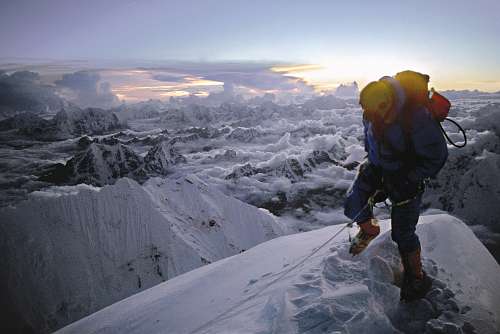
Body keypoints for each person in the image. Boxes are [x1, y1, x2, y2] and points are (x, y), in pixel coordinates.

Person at [344, 70, 448, 302]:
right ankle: (369, 228)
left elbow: (436, 157)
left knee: (403, 232)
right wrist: (373, 168)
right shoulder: (372, 112)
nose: (373, 117)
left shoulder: (416, 118)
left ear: (389, 101)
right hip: (380, 167)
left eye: (376, 112)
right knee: (354, 200)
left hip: (406, 176)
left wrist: (410, 177)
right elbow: (370, 140)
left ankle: (417, 277)